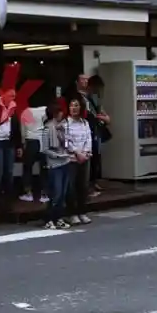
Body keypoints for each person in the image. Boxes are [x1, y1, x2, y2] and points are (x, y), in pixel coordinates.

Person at [0, 87, 22, 212]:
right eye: (10, 95)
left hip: (9, 143)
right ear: (4, 95)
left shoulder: (13, 107)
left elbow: (16, 127)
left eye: (14, 96)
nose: (13, 98)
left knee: (9, 172)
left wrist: (19, 146)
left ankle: (8, 200)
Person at [40, 98, 73, 229]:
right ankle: (49, 219)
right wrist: (57, 155)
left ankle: (59, 218)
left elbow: (67, 142)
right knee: (56, 193)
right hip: (54, 164)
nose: (61, 115)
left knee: (63, 194)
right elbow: (44, 149)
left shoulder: (62, 127)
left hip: (65, 161)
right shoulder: (47, 128)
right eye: (59, 112)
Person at [63, 95, 93, 225]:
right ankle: (72, 214)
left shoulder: (85, 123)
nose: (73, 108)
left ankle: (82, 212)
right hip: (71, 159)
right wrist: (77, 152)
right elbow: (65, 141)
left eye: (76, 105)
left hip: (84, 158)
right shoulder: (65, 123)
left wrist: (85, 152)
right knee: (71, 187)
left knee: (83, 186)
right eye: (71, 105)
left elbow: (88, 138)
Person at [19, 104, 48, 203]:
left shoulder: (26, 112)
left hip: (31, 141)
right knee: (44, 168)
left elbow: (23, 131)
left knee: (27, 168)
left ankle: (28, 193)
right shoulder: (45, 110)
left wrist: (23, 143)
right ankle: (44, 194)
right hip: (43, 141)